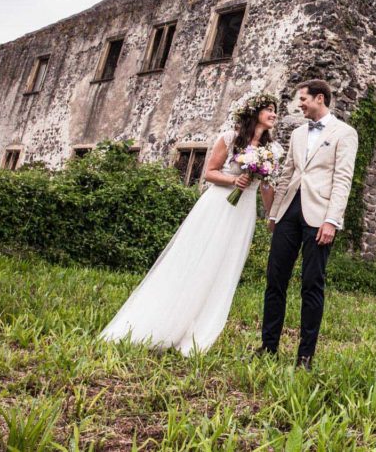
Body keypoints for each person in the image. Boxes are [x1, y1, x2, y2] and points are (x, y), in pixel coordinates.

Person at [98, 91, 282, 355]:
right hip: (219, 205)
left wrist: (271, 214)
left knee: (225, 266)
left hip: (244, 212)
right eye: (269, 109)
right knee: (198, 259)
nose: (274, 114)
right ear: (254, 113)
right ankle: (167, 320)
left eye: (275, 109)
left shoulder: (271, 150)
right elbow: (209, 172)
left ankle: (199, 329)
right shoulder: (230, 139)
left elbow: (266, 186)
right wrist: (233, 180)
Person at [260, 79, 358, 369]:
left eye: (303, 99)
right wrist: (274, 214)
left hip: (320, 217)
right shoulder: (298, 133)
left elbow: (343, 179)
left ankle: (305, 356)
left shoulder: (345, 133)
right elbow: (288, 171)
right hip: (289, 211)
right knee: (275, 279)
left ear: (319, 98)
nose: (299, 104)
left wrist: (332, 220)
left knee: (311, 285)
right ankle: (268, 346)